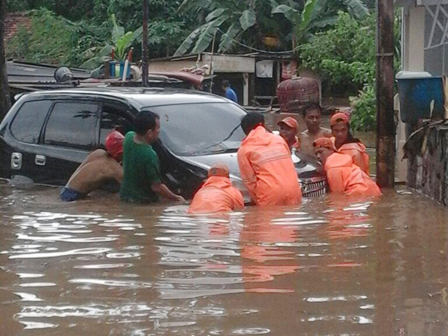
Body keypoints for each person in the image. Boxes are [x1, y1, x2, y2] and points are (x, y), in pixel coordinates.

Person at [237, 112, 302, 206]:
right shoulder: (279, 140)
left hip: (270, 195)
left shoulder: (245, 149)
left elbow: (250, 182)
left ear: (246, 131)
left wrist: (260, 202)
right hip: (294, 191)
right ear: (263, 125)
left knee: (267, 219)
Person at [120, 111, 185, 204]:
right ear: (149, 133)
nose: (159, 131)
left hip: (125, 198)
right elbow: (157, 187)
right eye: (158, 128)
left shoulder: (128, 137)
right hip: (143, 202)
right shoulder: (149, 155)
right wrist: (176, 198)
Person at [60, 130, 124, 202]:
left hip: (66, 190)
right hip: (73, 196)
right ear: (119, 153)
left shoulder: (99, 153)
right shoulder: (111, 167)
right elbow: (129, 188)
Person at [313, 138, 381, 197]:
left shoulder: (332, 167)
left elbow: (337, 195)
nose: (318, 156)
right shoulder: (341, 158)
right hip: (374, 189)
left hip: (358, 191)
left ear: (331, 149)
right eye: (316, 154)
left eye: (320, 152)